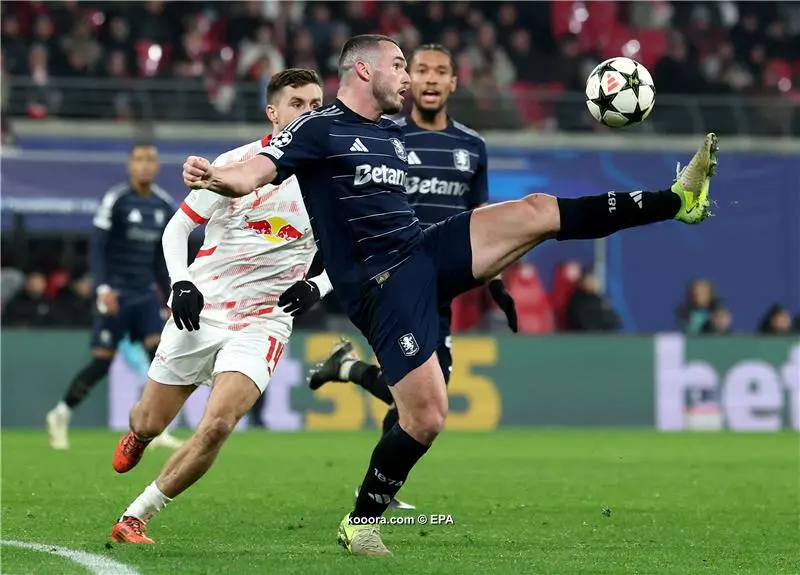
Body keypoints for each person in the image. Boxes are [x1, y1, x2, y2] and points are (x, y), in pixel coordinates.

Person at [182, 35, 719, 556]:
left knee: (535, 210)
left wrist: (494, 273)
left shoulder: (393, 134)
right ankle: (362, 521)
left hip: (421, 251)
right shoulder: (317, 129)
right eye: (398, 66)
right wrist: (214, 176)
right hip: (381, 285)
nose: (407, 78)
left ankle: (677, 200)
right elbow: (253, 172)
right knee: (426, 419)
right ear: (365, 70)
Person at [278, 44, 518, 511]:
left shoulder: (472, 146)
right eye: (418, 69)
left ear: (453, 83)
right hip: (391, 276)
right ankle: (375, 497)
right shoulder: (384, 130)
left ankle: (348, 373)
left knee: (426, 391)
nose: (427, 79)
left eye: (439, 71)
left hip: (447, 271)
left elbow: (482, 216)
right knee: (425, 394)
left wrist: (497, 281)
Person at [110, 69, 327, 544]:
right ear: (273, 114)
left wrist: (319, 286)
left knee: (219, 425)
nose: (310, 111)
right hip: (202, 310)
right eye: (298, 103)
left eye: (317, 102)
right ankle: (140, 437)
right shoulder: (238, 163)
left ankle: (137, 515)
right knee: (148, 420)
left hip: (265, 321)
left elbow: (356, 252)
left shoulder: (333, 177)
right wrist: (181, 284)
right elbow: (175, 229)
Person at [46, 144, 183, 451]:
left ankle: (154, 427)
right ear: (129, 166)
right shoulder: (117, 200)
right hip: (116, 294)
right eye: (139, 160)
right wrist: (103, 287)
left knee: (159, 359)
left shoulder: (163, 205)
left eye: (150, 160)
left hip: (146, 294)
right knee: (101, 363)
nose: (145, 165)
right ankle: (60, 414)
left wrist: (171, 295)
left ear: (157, 166)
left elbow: (163, 258)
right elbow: (98, 248)